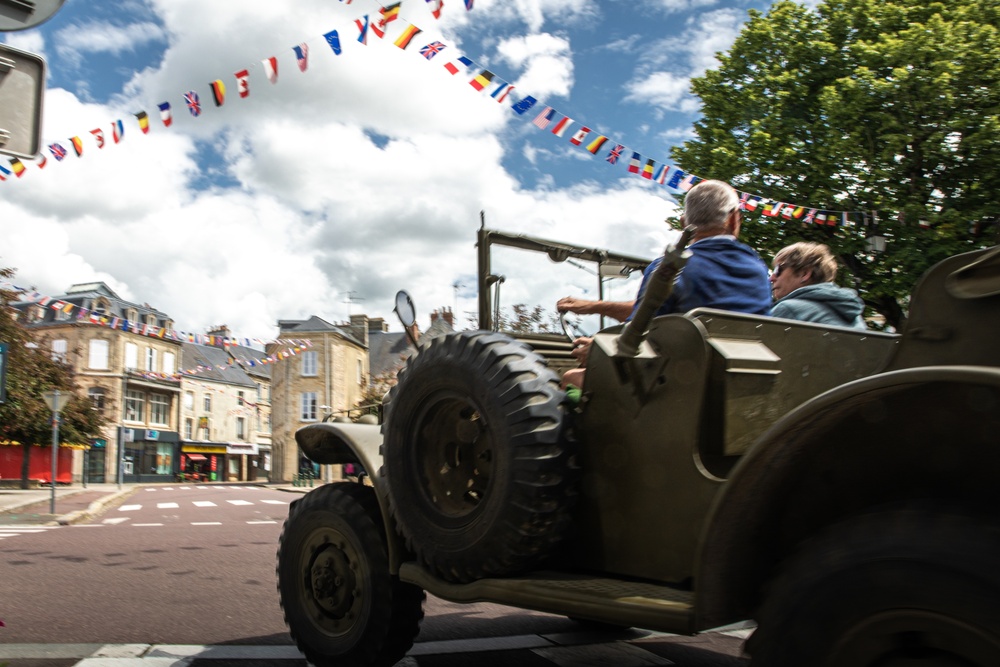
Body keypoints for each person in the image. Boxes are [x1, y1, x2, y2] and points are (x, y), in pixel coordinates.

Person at [557, 179, 772, 388]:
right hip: (747, 385)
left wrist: (596, 351)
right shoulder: (760, 270)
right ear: (734, 219)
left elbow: (636, 337)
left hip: (680, 388)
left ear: (683, 223)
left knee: (571, 376)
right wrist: (596, 307)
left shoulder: (669, 270)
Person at [769, 241, 867, 328]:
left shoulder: (787, 309)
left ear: (805, 274)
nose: (771, 278)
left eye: (778, 270)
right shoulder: (855, 316)